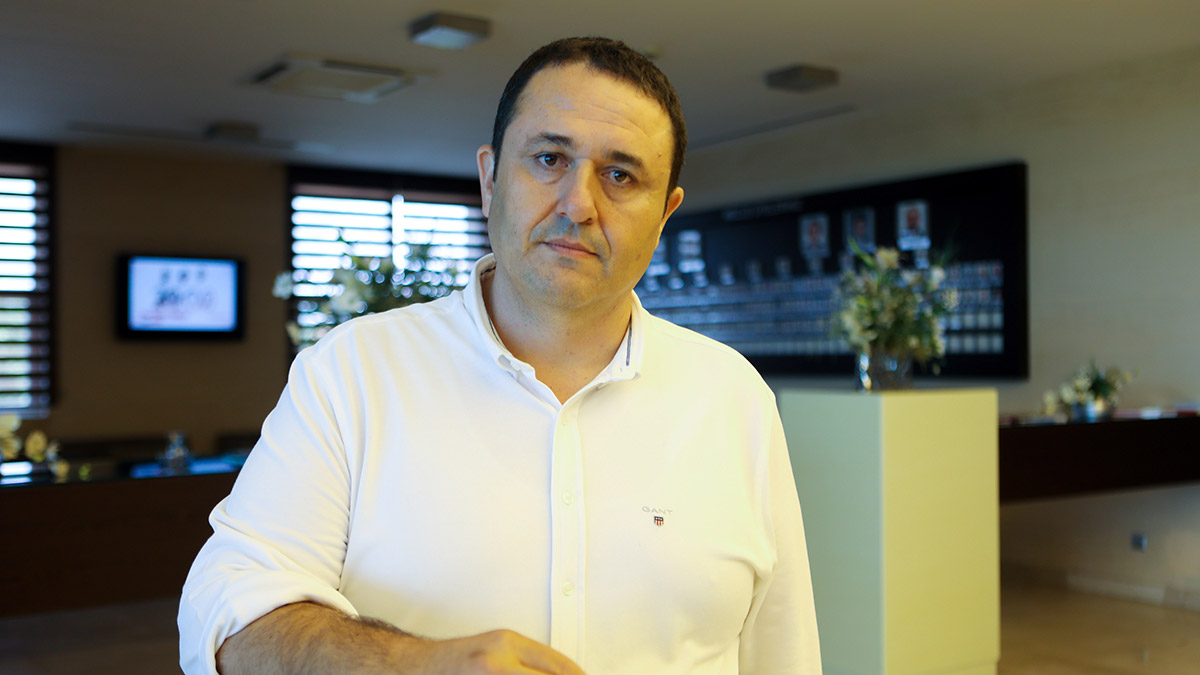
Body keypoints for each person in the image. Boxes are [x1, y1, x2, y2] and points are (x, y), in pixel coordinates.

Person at [179, 36, 821, 674]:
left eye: (620, 175)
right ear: (490, 179)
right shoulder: (353, 373)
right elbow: (225, 613)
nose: (579, 204)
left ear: (664, 216)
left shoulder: (734, 396)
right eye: (548, 159)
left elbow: (784, 654)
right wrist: (414, 666)